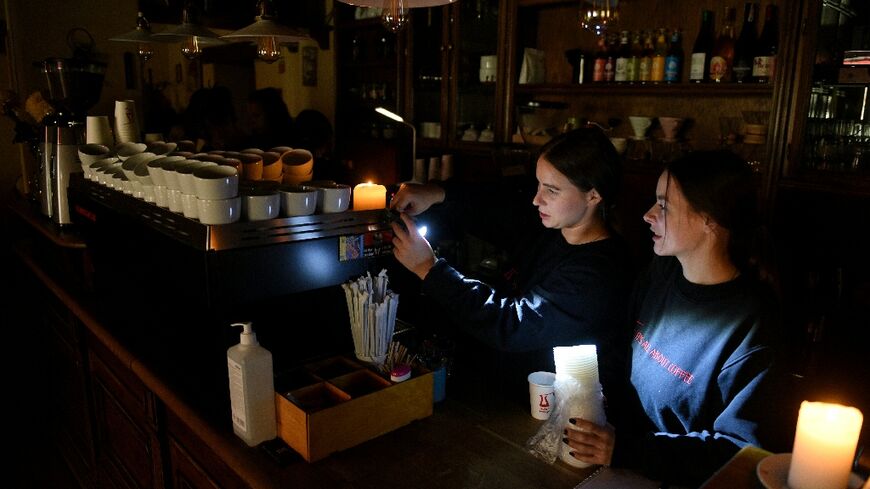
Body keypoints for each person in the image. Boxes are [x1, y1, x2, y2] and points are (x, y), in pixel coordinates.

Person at [564, 150, 791, 486]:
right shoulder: (662, 273)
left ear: (709, 219)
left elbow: (742, 452)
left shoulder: (753, 325)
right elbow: (620, 349)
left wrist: (628, 450)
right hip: (616, 466)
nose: (648, 215)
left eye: (664, 206)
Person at [389, 127, 634, 411]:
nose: (536, 199)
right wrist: (435, 193)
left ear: (593, 195)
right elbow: (495, 207)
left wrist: (429, 269)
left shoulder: (599, 273)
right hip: (510, 387)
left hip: (556, 410)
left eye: (551, 190)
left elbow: (513, 324)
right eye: (538, 185)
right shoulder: (554, 225)